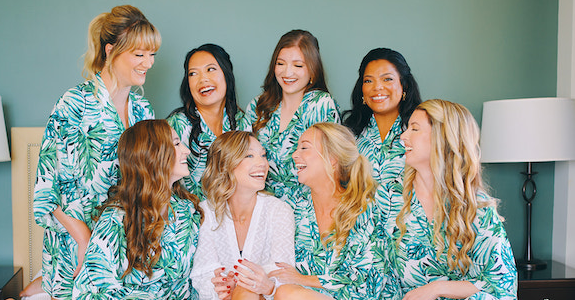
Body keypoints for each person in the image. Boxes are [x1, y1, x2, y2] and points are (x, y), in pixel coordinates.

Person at [0, 5, 159, 300]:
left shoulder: (143, 111)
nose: (148, 62)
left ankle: (40, 286)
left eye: (152, 54)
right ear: (111, 50)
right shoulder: (74, 103)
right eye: (139, 53)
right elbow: (47, 188)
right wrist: (83, 238)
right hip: (73, 232)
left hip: (119, 236)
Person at [23, 120, 212, 300]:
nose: (185, 151)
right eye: (175, 144)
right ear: (152, 155)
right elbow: (86, 285)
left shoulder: (186, 210)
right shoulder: (118, 217)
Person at [261, 123, 445, 300]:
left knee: (286, 295)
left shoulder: (363, 206)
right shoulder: (293, 204)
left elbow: (367, 279)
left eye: (304, 148)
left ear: (331, 159)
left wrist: (304, 280)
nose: (294, 155)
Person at [380, 99, 534, 300]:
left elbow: (499, 279)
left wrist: (436, 288)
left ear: (442, 138)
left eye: (414, 129)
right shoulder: (389, 198)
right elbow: (382, 273)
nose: (403, 137)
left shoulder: (477, 205)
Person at [188, 131, 295, 300]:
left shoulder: (278, 211)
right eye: (249, 156)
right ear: (226, 164)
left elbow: (282, 270)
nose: (262, 164)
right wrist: (219, 286)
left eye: (263, 155)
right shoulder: (207, 211)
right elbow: (202, 273)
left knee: (246, 289)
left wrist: (244, 284)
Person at [245, 30, 340, 202]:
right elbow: (240, 160)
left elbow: (331, 167)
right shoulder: (258, 106)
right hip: (262, 206)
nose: (287, 72)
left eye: (298, 65)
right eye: (281, 63)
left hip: (307, 207)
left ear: (313, 69)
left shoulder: (320, 104)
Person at [167, 44, 250, 199]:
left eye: (210, 69)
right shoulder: (177, 125)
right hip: (188, 217)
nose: (203, 79)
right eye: (193, 73)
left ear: (226, 74)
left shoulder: (242, 123)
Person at [342, 48, 421, 184]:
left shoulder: (421, 130)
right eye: (368, 81)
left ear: (405, 86)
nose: (377, 87)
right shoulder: (349, 133)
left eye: (387, 79)